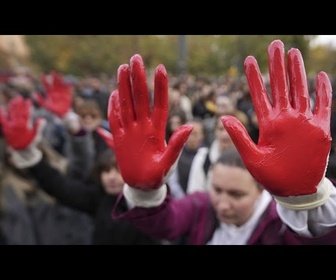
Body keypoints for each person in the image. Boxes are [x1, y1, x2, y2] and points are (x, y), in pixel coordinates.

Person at [97, 39, 336, 245]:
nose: (222, 204)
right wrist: (144, 193)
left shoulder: (279, 223)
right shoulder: (202, 207)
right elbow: (166, 224)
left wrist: (304, 202)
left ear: (260, 191)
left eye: (236, 194)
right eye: (217, 190)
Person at [0, 95, 164, 245]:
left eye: (117, 171)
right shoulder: (98, 198)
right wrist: (30, 158)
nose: (111, 178)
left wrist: (149, 190)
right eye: (106, 172)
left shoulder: (146, 204)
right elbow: (59, 186)